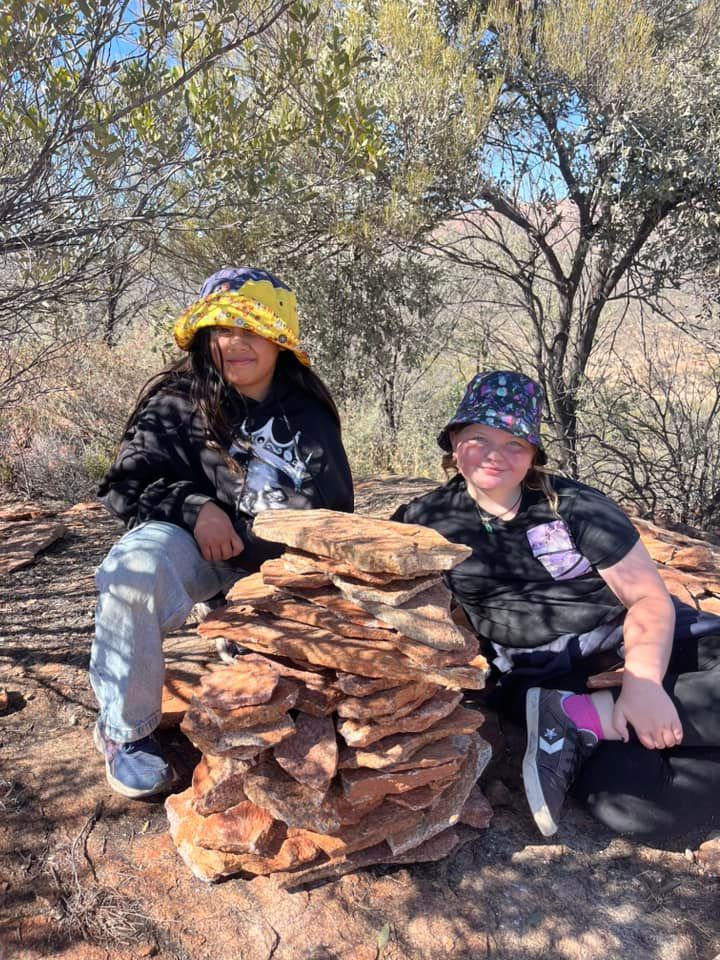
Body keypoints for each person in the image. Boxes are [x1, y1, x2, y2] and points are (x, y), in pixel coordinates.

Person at [393, 370, 720, 841]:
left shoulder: (576, 508)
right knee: (639, 809)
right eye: (479, 437)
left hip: (638, 646)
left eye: (514, 444)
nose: (495, 455)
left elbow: (648, 598)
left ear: (533, 455)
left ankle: (594, 720)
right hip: (550, 680)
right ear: (453, 441)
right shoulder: (424, 519)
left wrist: (644, 684)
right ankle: (584, 716)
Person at [91, 267, 353, 799]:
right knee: (131, 572)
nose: (234, 344)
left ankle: (238, 621)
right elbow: (123, 484)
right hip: (192, 547)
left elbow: (335, 511)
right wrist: (195, 507)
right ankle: (125, 731)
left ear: (280, 340)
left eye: (250, 330)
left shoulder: (309, 413)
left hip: (277, 570)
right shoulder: (176, 401)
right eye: (221, 330)